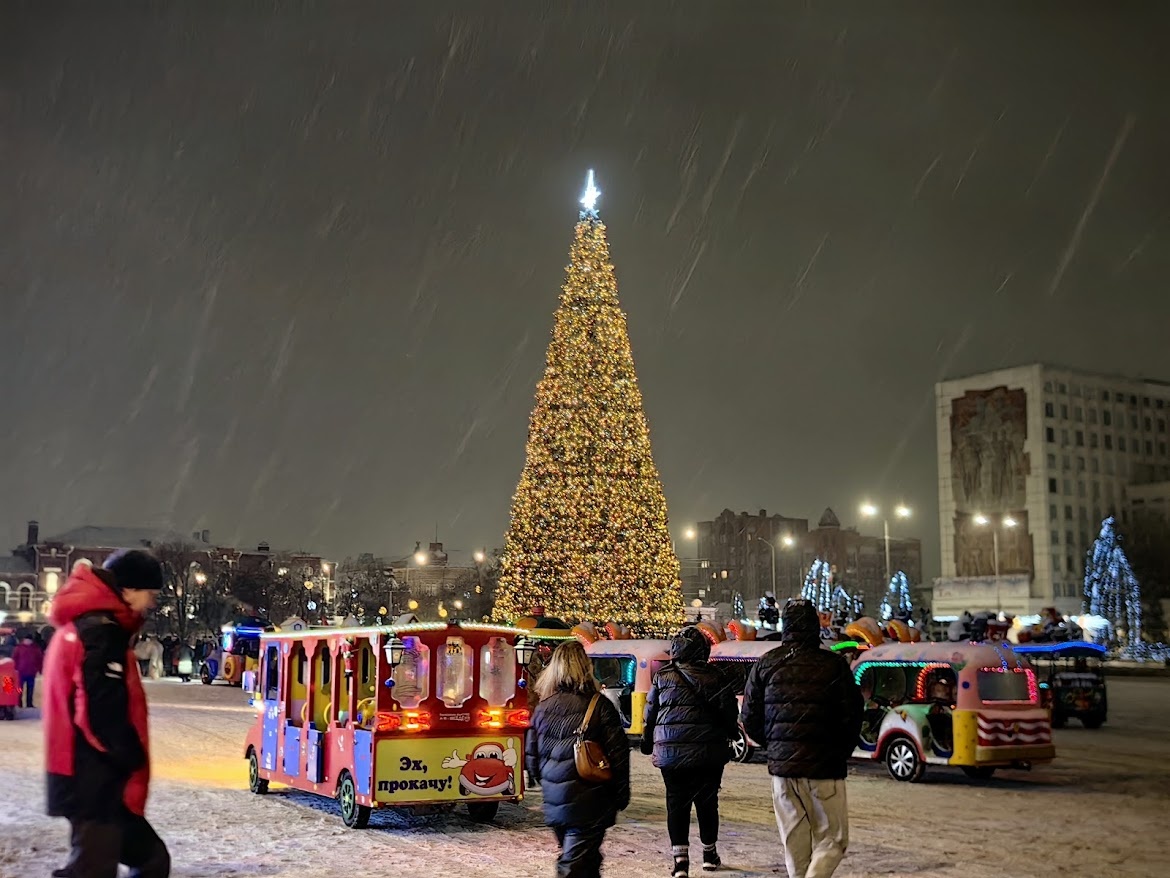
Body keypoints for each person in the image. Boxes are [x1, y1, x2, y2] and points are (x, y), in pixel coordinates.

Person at [43, 552, 171, 878]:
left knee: (152, 859)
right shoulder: (99, 631)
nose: (151, 604)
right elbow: (99, 707)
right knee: (96, 869)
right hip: (94, 777)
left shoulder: (89, 626)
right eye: (150, 595)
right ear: (128, 590)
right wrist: (129, 753)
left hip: (91, 773)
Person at [741, 600, 863, 878]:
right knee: (832, 839)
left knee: (794, 845)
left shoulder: (766, 664)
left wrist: (776, 747)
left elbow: (749, 717)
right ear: (815, 627)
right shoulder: (834, 665)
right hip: (825, 768)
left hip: (783, 772)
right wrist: (840, 751)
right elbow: (853, 713)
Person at [525, 640, 630, 878]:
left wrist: (552, 783)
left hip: (556, 801)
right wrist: (621, 794)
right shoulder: (600, 706)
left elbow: (532, 759)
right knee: (575, 866)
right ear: (586, 667)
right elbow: (619, 754)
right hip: (591, 800)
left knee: (586, 860)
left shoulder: (543, 708)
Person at [642, 626, 738, 877]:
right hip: (709, 752)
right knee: (707, 803)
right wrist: (732, 732)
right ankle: (709, 854)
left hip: (671, 752)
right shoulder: (716, 676)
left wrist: (647, 739)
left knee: (676, 803)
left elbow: (650, 713)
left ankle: (680, 862)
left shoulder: (663, 676)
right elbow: (729, 711)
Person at [12, 634, 44, 709]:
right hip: (21, 672)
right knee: (20, 689)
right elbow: (15, 658)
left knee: (30, 689)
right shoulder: (19, 648)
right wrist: (15, 668)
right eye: (26, 640)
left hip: (31, 672)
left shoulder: (36, 649)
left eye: (29, 640)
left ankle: (29, 703)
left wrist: (40, 670)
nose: (28, 641)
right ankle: (19, 702)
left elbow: (39, 660)